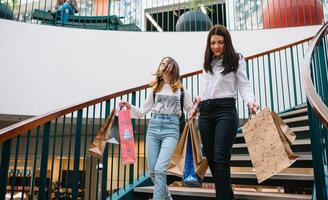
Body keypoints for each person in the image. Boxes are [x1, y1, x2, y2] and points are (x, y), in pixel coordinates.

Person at [189, 24, 258, 200]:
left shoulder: (236, 59)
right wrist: (196, 107)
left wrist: (251, 101)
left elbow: (244, 84)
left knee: (221, 158)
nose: (216, 46)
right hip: (205, 112)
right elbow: (205, 90)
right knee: (212, 159)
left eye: (220, 42)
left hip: (225, 111)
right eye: (213, 43)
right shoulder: (207, 62)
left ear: (227, 42)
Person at [120, 57, 197, 200]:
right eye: (162, 63)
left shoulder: (180, 89)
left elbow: (190, 110)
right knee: (153, 173)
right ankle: (167, 197)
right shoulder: (155, 89)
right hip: (153, 127)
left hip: (171, 128)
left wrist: (197, 105)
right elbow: (142, 111)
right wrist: (130, 107)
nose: (163, 65)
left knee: (160, 170)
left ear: (173, 68)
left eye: (167, 63)